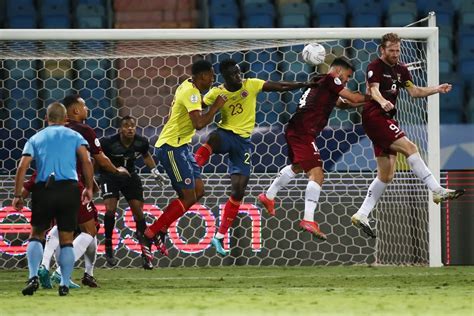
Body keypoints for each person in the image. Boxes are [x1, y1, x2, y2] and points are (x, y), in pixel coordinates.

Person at [193, 58, 322, 256]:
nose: (238, 77)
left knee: (238, 190)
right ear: (224, 78)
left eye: (239, 72)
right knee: (213, 138)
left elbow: (279, 86)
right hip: (227, 134)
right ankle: (193, 169)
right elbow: (196, 109)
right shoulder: (217, 92)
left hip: (243, 143)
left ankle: (218, 237)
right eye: (233, 75)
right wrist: (207, 107)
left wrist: (304, 84)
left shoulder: (250, 85)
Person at [350, 32, 464, 238]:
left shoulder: (402, 70)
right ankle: (436, 189)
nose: (395, 54)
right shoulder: (374, 67)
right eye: (391, 50)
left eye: (398, 50)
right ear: (382, 50)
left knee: (386, 175)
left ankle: (362, 214)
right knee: (411, 148)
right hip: (375, 116)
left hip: (387, 119)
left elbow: (414, 92)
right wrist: (382, 100)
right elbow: (373, 90)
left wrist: (437, 89)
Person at [258, 57, 370, 241]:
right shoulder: (330, 79)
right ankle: (308, 219)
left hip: (297, 128)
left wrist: (367, 101)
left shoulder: (320, 81)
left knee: (298, 167)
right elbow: (354, 97)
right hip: (303, 131)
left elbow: (344, 104)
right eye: (347, 76)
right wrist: (376, 95)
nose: (348, 80)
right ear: (339, 72)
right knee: (317, 174)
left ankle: (269, 195)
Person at [36, 94, 130, 283]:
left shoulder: (53, 130)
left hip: (49, 184)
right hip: (72, 185)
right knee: (89, 230)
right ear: (75, 110)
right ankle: (61, 273)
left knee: (62, 226)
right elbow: (99, 159)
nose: (87, 109)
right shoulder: (83, 130)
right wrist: (117, 170)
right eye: (84, 106)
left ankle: (46, 265)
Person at [13, 102, 94, 296]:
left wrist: (18, 195)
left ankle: (33, 276)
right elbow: (86, 160)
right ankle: (64, 283)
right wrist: (89, 187)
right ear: (66, 119)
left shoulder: (36, 138)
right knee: (67, 239)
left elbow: (22, 167)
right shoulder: (75, 136)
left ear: (46, 118)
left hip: (44, 189)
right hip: (69, 190)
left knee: (36, 235)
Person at [144, 59, 226, 247]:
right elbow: (198, 124)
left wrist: (210, 102)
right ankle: (151, 233)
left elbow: (195, 107)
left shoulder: (188, 86)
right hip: (171, 147)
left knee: (198, 191)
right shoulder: (191, 92)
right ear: (203, 75)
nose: (213, 79)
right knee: (188, 196)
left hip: (182, 146)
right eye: (211, 75)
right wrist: (216, 107)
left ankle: (160, 229)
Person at [99, 115, 166, 269]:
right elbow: (98, 158)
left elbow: (146, 155)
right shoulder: (108, 143)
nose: (130, 128)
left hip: (130, 176)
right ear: (120, 129)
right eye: (126, 126)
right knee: (110, 209)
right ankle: (108, 246)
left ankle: (145, 254)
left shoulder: (141, 142)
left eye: (132, 126)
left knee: (139, 213)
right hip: (110, 176)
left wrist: (155, 171)